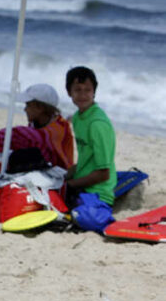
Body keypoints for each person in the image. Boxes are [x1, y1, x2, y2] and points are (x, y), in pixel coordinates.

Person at [65, 66, 116, 232]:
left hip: (98, 193)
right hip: (83, 183)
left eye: (88, 90)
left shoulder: (97, 124)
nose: (82, 95)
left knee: (85, 218)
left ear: (94, 92)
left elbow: (103, 173)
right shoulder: (78, 117)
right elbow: (86, 158)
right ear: (69, 92)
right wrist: (64, 175)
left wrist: (70, 185)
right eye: (77, 90)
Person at [18, 83, 74, 169]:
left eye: (28, 105)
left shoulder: (58, 128)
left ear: (40, 108)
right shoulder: (36, 123)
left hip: (60, 173)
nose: (25, 109)